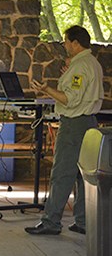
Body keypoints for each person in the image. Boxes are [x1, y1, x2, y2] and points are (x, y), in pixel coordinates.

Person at [25, 25, 104, 235]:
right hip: (89, 123)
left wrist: (46, 89)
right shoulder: (91, 63)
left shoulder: (80, 67)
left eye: (66, 41)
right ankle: (83, 221)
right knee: (82, 174)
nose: (64, 45)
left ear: (75, 43)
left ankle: (51, 222)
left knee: (62, 173)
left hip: (74, 124)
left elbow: (70, 99)